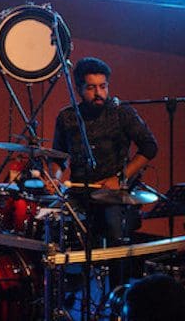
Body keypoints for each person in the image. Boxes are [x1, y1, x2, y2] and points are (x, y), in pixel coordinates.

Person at [48, 57, 157, 288]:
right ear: (78, 89)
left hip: (113, 195)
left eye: (103, 86)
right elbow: (58, 158)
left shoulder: (121, 113)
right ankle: (63, 293)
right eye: (91, 87)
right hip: (79, 194)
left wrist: (120, 178)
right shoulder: (67, 117)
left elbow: (149, 147)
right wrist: (55, 179)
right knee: (49, 225)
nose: (99, 93)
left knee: (115, 232)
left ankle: (118, 295)